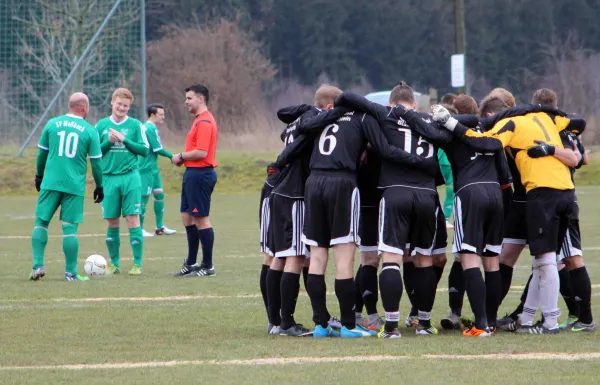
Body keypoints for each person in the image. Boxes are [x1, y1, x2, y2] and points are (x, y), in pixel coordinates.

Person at [432, 97, 580, 334]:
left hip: (535, 196)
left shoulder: (510, 126)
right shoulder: (548, 121)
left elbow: (489, 143)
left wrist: (451, 124)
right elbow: (578, 136)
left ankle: (540, 321)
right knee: (505, 261)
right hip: (539, 196)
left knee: (538, 259)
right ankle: (518, 318)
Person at [336, 83, 452, 337]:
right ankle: (423, 323)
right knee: (423, 259)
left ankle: (390, 326)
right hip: (427, 195)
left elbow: (346, 96)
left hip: (395, 192)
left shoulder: (385, 114)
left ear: (391, 103)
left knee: (391, 258)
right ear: (415, 104)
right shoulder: (430, 121)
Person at [30, 92, 104, 281]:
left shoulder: (52, 124)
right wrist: (99, 186)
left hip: (51, 182)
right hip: (74, 185)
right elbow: (96, 163)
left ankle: (37, 266)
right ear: (84, 108)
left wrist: (39, 175)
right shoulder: (89, 130)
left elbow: (41, 155)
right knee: (70, 228)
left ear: (70, 106)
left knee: (41, 222)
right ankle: (70, 273)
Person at [96, 88, 149, 275]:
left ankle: (137, 264)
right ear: (112, 102)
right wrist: (109, 141)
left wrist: (124, 140)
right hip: (109, 178)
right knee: (112, 222)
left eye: (125, 106)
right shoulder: (101, 125)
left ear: (129, 107)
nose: (122, 108)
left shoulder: (136, 126)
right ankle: (114, 264)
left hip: (130, 177)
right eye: (119, 104)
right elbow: (95, 153)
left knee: (133, 219)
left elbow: (144, 151)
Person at [173, 84, 218, 278]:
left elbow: (202, 152)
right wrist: (183, 159)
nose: (186, 101)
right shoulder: (198, 120)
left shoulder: (205, 122)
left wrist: (181, 155)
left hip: (201, 174)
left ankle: (207, 266)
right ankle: (191, 263)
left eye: (189, 98)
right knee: (186, 216)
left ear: (200, 99)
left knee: (201, 219)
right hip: (192, 173)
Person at [139, 103, 177, 237]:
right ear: (152, 115)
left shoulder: (152, 128)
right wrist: (172, 156)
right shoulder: (148, 128)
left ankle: (159, 227)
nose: (163, 117)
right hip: (145, 169)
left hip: (153, 168)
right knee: (144, 198)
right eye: (161, 114)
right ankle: (140, 229)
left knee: (159, 195)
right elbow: (157, 149)